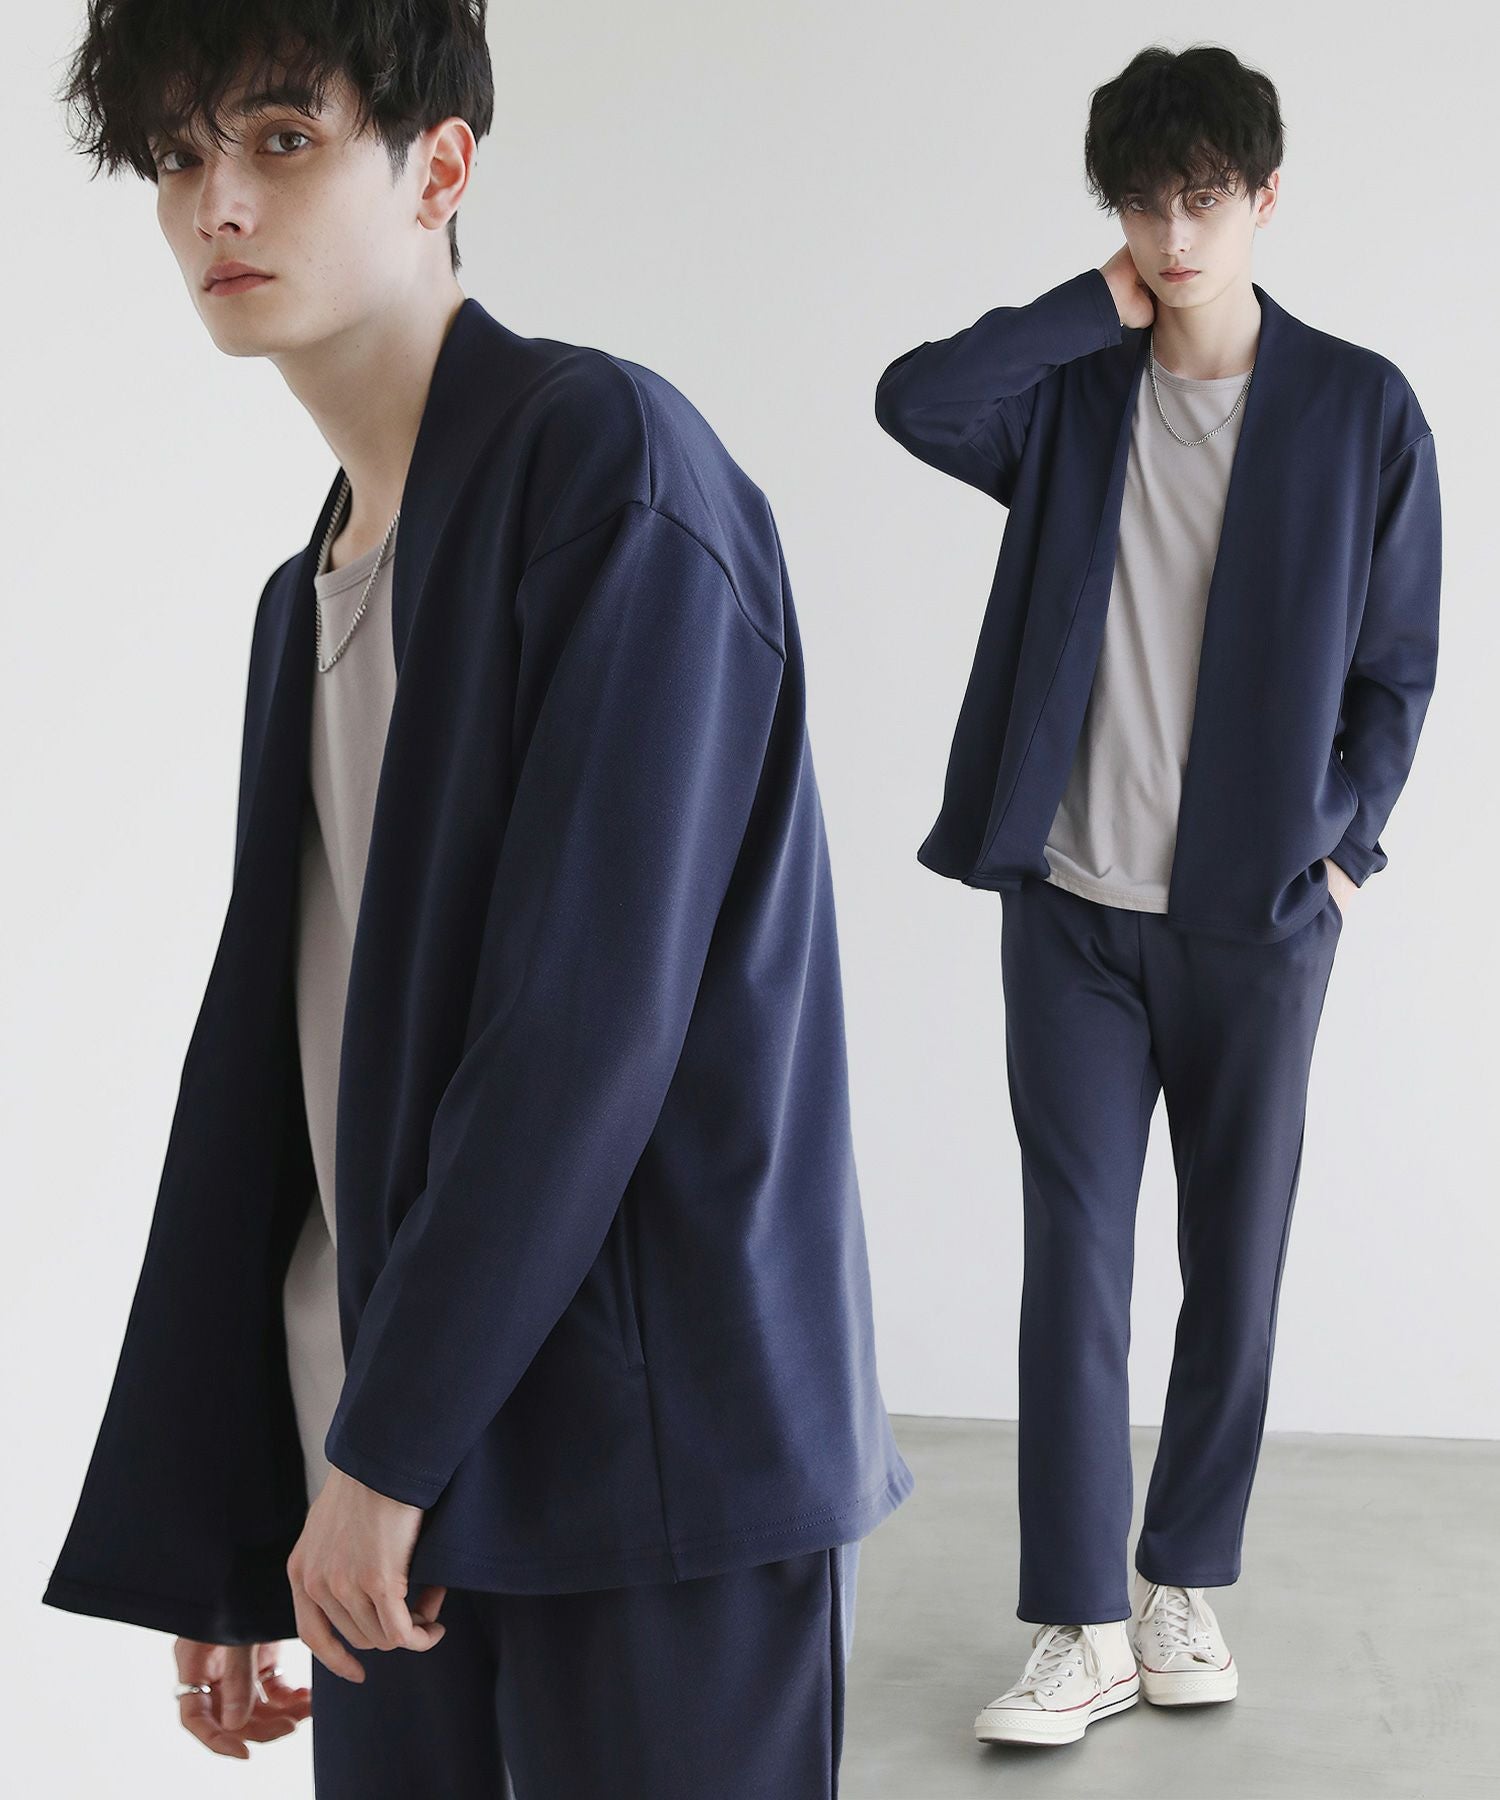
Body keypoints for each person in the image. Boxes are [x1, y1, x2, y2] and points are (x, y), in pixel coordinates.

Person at [42, 4, 913, 1793]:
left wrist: (378, 1458)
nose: (217, 204)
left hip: (637, 1476)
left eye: (281, 140)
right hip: (385, 1487)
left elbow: (584, 1027)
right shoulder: (307, 594)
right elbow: (275, 1075)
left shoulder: (611, 470)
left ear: (440, 166)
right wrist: (250, 1504)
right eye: (180, 157)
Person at [874, 43, 1440, 1749]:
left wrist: (1338, 852)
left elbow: (1396, 671)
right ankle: (1083, 1622)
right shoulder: (1071, 394)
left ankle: (1184, 1574)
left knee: (1233, 1260)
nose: (1174, 235)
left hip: (1256, 921)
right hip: (1068, 909)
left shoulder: (1359, 410)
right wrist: (1085, 307)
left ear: (1265, 199)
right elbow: (915, 399)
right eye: (1143, 202)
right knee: (1075, 1263)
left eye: (1203, 199)